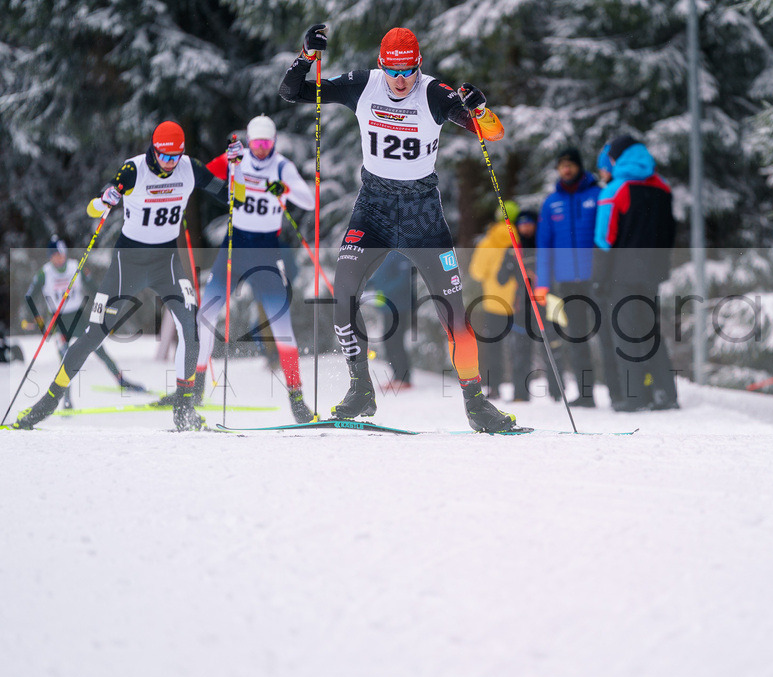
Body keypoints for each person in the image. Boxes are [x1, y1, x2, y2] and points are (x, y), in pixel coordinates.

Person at [279, 25, 518, 432]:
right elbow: (292, 92)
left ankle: (477, 404)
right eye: (393, 70)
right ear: (381, 66)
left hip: (422, 216)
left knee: (455, 314)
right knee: (344, 295)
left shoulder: (434, 94)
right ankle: (361, 390)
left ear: (418, 65)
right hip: (372, 209)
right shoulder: (363, 85)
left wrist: (479, 110)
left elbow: (491, 133)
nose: (401, 79)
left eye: (408, 70)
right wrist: (306, 56)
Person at [11, 121, 245, 431]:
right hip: (128, 265)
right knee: (94, 334)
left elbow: (235, 198)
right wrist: (104, 199)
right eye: (164, 156)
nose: (170, 163)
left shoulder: (189, 168)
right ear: (154, 149)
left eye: (175, 157)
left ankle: (184, 409)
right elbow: (94, 209)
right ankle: (47, 403)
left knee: (191, 326)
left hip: (166, 263)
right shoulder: (134, 170)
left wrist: (237, 168)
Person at [194, 114, 316, 422]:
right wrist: (227, 164)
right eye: (257, 143)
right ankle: (194, 388)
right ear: (250, 142)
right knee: (206, 313)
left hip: (264, 251)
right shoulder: (237, 158)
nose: (261, 149)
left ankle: (297, 399)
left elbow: (310, 201)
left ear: (273, 142)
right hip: (234, 247)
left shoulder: (282, 166)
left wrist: (284, 190)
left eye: (267, 143)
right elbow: (203, 178)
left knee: (281, 324)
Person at [594, 135, 679, 412]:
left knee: (625, 334)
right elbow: (669, 232)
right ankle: (665, 393)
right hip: (653, 273)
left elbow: (605, 238)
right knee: (650, 332)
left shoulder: (616, 189)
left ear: (617, 158)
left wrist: (599, 277)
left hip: (621, 273)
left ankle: (634, 397)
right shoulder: (662, 188)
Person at [23, 235, 148, 408]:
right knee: (66, 360)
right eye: (53, 256)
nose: (57, 259)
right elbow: (29, 296)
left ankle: (122, 381)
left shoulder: (76, 267)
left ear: (64, 253)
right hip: (59, 321)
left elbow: (95, 289)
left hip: (78, 318)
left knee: (99, 350)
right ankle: (66, 398)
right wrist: (37, 320)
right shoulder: (45, 273)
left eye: (59, 254)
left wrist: (105, 310)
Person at [534, 147, 602, 407]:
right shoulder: (552, 203)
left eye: (570, 164)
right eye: (562, 165)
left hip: (595, 278)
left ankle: (621, 390)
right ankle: (586, 395)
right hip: (566, 282)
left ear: (579, 166)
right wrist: (542, 283)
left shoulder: (597, 195)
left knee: (608, 334)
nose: (566, 169)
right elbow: (544, 246)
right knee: (576, 338)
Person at [496, 210, 563, 402]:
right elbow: (501, 279)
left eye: (529, 222)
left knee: (552, 348)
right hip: (522, 307)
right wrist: (510, 264)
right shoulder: (514, 249)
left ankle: (557, 393)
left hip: (545, 303)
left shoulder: (544, 247)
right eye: (522, 223)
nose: (526, 226)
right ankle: (520, 394)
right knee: (520, 351)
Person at [468, 201, 521, 399]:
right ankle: (521, 390)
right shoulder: (522, 237)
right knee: (520, 347)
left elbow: (477, 273)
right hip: (518, 301)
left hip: (494, 302)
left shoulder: (488, 242)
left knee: (493, 348)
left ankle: (495, 387)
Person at [365, 251, 416, 392]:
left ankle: (403, 378)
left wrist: (383, 291)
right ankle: (398, 377)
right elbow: (381, 278)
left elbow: (404, 279)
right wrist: (362, 286)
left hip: (400, 306)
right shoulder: (386, 254)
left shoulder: (401, 254)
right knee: (389, 341)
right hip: (388, 307)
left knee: (395, 341)